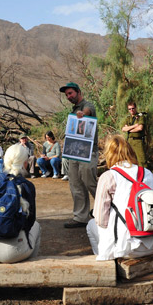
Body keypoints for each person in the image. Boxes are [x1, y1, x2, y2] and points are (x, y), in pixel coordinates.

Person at [86, 135, 153, 261]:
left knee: (91, 225)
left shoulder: (109, 176)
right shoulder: (148, 173)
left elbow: (100, 219)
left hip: (127, 249)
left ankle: (108, 261)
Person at [0, 144, 41, 263]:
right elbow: (29, 221)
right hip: (13, 252)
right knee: (36, 226)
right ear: (25, 163)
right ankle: (31, 265)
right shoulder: (27, 185)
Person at [59, 82, 99, 228]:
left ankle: (108, 209)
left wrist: (82, 114)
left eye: (71, 93)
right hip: (74, 152)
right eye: (67, 95)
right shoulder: (72, 111)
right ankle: (81, 217)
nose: (69, 96)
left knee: (90, 182)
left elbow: (87, 111)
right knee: (75, 184)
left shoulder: (88, 105)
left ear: (78, 92)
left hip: (88, 152)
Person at [121, 101, 146, 167]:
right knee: (130, 159)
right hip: (129, 141)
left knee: (141, 160)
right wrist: (134, 126)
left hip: (138, 141)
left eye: (133, 108)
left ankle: (143, 175)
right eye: (129, 109)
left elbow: (140, 128)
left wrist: (129, 129)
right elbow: (123, 129)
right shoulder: (128, 118)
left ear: (135, 108)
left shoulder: (140, 117)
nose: (131, 110)